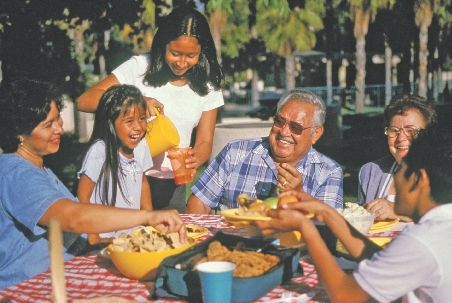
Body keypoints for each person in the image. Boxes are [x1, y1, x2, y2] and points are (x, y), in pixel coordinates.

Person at [0, 77, 186, 289]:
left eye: (58, 118)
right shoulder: (15, 173)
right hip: (26, 289)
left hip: (59, 276)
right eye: (47, 125)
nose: (59, 129)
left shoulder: (40, 170)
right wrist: (148, 216)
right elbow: (73, 217)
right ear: (18, 133)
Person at [256, 127, 452, 302]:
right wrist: (327, 213)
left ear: (419, 180)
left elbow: (344, 295)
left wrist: (306, 229)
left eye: (400, 171)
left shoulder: (420, 241)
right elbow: (380, 259)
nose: (394, 181)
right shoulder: (440, 229)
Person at [76, 7, 224, 213]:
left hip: (172, 186)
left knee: (170, 241)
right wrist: (134, 103)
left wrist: (194, 158)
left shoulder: (208, 86)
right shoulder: (139, 67)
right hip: (125, 176)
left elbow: (205, 141)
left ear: (202, 52)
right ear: (162, 44)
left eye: (191, 55)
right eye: (174, 53)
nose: (181, 63)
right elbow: (84, 101)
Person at [186, 89, 343, 213]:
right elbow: (199, 202)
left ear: (315, 134)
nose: (284, 132)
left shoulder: (328, 171)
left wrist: (301, 196)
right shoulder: (235, 151)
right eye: (279, 121)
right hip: (231, 244)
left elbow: (330, 225)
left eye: (295, 127)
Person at [77, 85, 153, 245]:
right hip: (106, 238)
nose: (138, 127)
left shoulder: (141, 146)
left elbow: (143, 183)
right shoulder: (99, 151)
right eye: (129, 121)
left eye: (142, 118)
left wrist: (150, 221)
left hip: (134, 237)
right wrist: (94, 237)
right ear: (110, 122)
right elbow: (83, 198)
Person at [358, 94, 437, 222]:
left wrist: (397, 211)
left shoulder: (445, 171)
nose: (401, 138)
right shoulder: (371, 172)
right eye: (394, 131)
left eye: (411, 131)